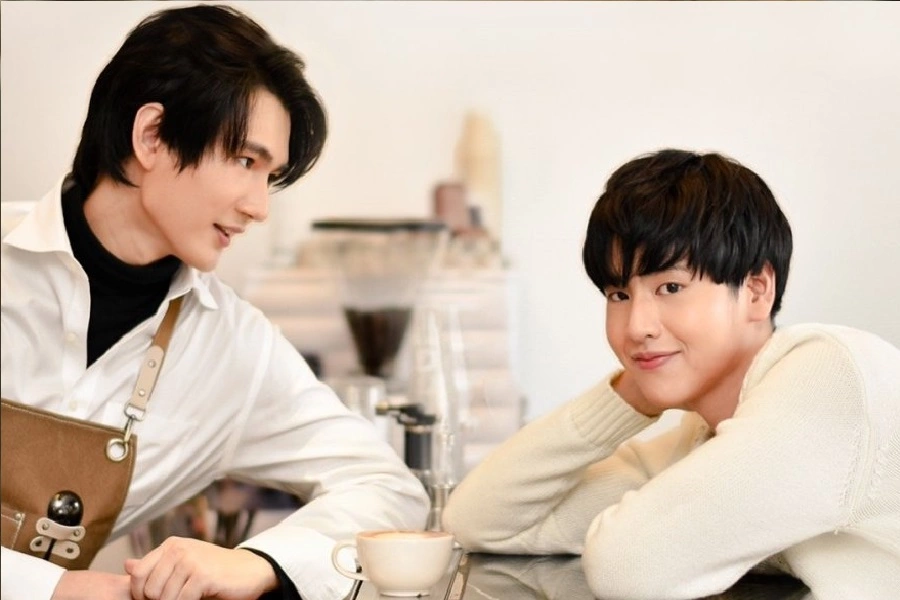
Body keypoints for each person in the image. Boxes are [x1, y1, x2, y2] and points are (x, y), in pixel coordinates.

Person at [0, 5, 429, 600]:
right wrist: (60, 590)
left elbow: (389, 488)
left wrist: (260, 562)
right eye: (245, 161)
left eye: (269, 176)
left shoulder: (232, 347)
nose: (259, 206)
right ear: (152, 136)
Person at [442, 149, 900, 599]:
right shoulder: (699, 438)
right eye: (619, 295)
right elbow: (478, 520)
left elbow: (628, 568)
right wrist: (629, 396)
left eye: (671, 287)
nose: (637, 327)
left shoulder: (832, 376)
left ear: (757, 291)